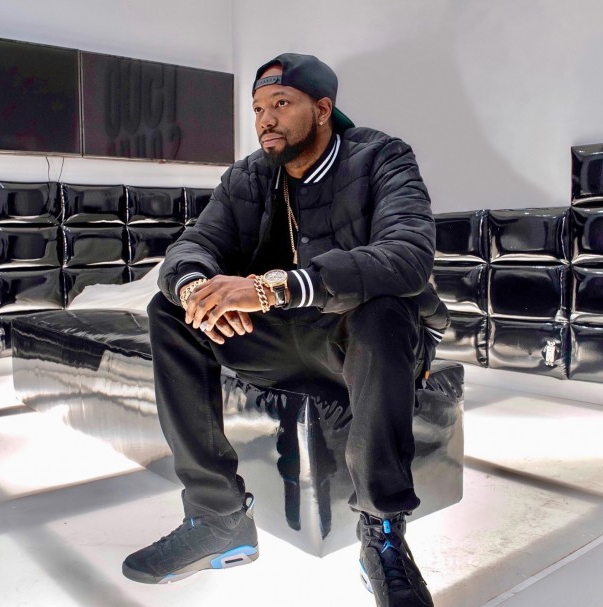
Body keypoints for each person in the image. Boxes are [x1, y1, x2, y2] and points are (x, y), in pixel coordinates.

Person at [122, 52, 448, 607]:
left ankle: (382, 535)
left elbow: (407, 256)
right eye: (257, 108)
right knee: (171, 312)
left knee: (383, 311)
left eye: (281, 103)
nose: (265, 119)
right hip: (283, 340)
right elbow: (194, 245)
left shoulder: (382, 157)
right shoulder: (247, 176)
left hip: (361, 343)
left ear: (322, 109)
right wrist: (197, 290)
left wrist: (274, 288)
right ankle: (218, 518)